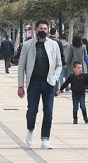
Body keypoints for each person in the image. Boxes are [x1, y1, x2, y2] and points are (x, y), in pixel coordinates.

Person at [17, 20, 64, 149]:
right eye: (41, 28)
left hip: (49, 83)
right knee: (32, 110)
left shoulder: (54, 45)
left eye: (45, 28)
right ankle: (30, 129)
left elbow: (59, 65)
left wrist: (54, 79)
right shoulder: (27, 45)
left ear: (48, 30)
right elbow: (21, 67)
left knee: (48, 111)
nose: (43, 30)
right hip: (34, 83)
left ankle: (45, 138)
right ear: (36, 30)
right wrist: (20, 85)